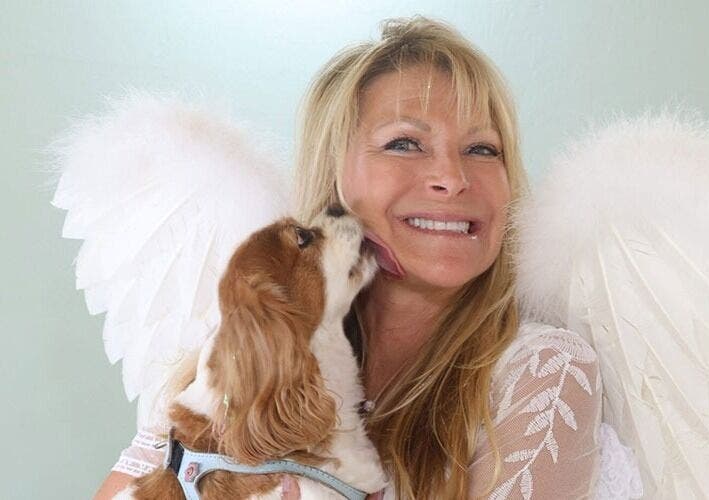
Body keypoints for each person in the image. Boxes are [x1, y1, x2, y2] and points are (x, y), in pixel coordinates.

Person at [95, 16, 602, 499]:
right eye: (405, 143)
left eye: (484, 150)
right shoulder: (249, 348)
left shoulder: (541, 372)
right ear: (334, 177)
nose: (453, 177)